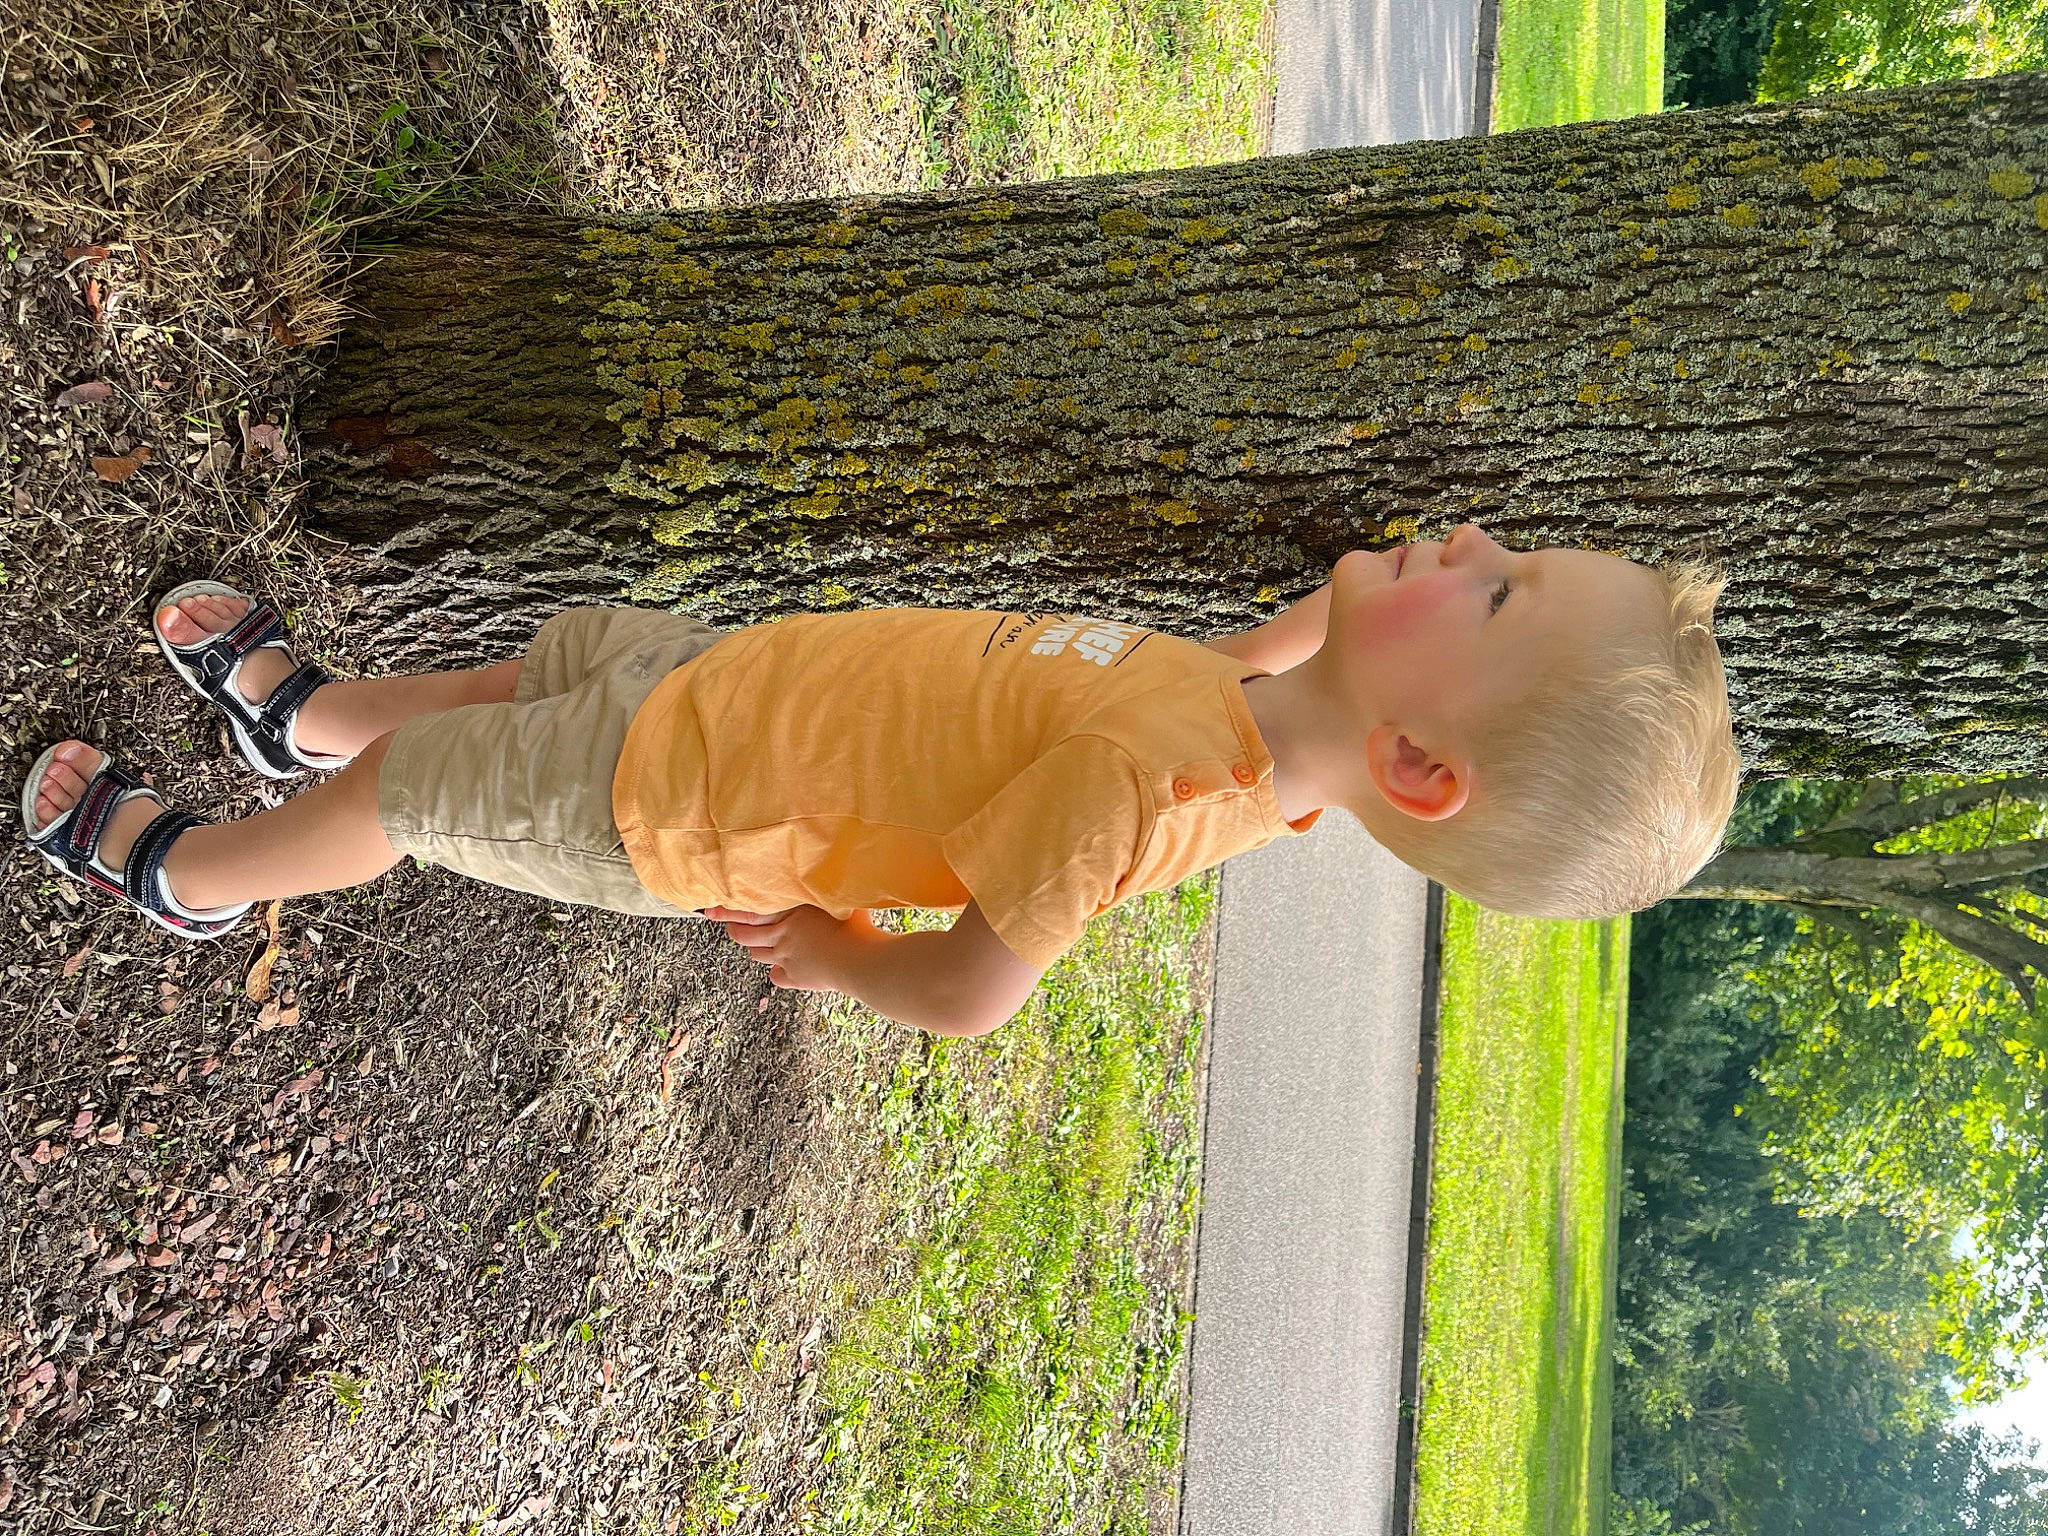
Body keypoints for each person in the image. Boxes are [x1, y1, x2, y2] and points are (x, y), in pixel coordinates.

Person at [21, 525, 1739, 1036]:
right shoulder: (1265, 741)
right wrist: (1367, 608)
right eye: (1517, 550)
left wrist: (838, 952)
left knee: (417, 800)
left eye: (1499, 590)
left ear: (1420, 765)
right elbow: (1278, 665)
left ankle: (199, 871)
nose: (1478, 542)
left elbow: (984, 985)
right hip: (728, 685)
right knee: (543, 654)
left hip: (678, 799)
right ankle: (303, 713)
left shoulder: (1143, 787)